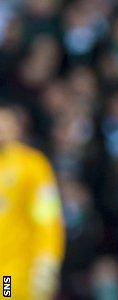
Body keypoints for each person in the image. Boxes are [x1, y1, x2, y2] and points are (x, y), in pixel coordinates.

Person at [0, 103, 65, 300]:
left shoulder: (32, 165)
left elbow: (47, 216)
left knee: (6, 295)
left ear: (17, 127)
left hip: (12, 271)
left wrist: (48, 258)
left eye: (5, 122)